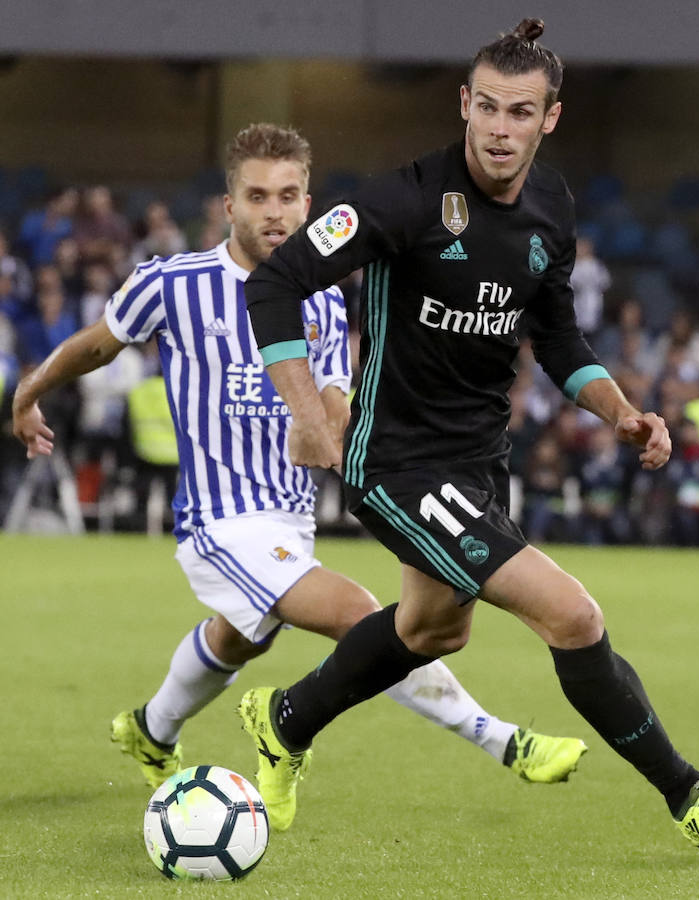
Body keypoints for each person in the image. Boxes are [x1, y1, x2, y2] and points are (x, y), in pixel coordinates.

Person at [243, 20, 699, 852]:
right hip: (396, 464)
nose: (499, 128)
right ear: (463, 104)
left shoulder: (550, 207)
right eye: (486, 107)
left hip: (477, 462)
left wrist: (620, 412)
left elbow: (557, 339)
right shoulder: (405, 199)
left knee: (430, 630)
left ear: (548, 119)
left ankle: (286, 720)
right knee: (570, 614)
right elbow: (275, 284)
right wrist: (308, 412)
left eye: (519, 113)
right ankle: (690, 795)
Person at [12, 122, 586, 827]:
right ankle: (502, 740)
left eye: (288, 196)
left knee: (240, 634)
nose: (273, 212)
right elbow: (96, 345)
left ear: (308, 205)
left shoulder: (317, 299)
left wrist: (343, 430)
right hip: (219, 522)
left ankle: (150, 729)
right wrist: (31, 391)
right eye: (257, 196)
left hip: (290, 519)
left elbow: (336, 396)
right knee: (363, 618)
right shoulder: (173, 283)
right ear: (229, 205)